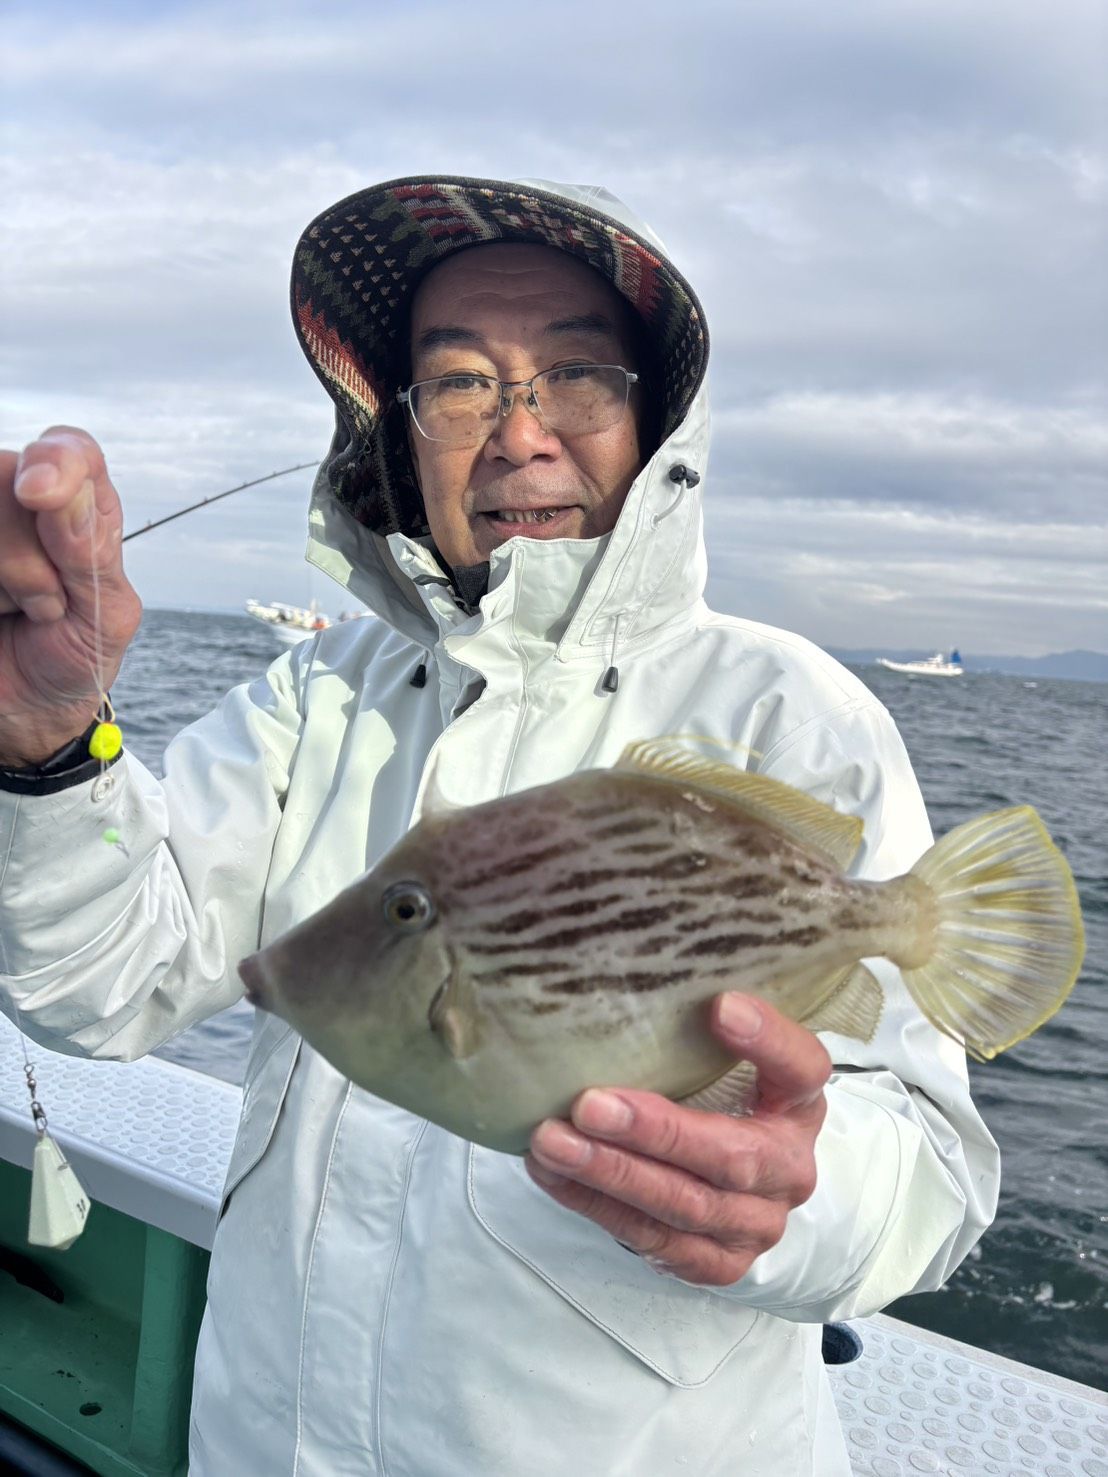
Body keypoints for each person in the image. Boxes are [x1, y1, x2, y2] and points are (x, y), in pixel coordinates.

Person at [0, 177, 998, 1476]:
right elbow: (101, 987)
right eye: (461, 382)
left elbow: (928, 1171)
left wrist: (793, 1194)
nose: (521, 435)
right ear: (399, 427)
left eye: (576, 374)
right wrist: (50, 750)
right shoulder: (317, 695)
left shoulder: (787, 708)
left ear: (656, 415)